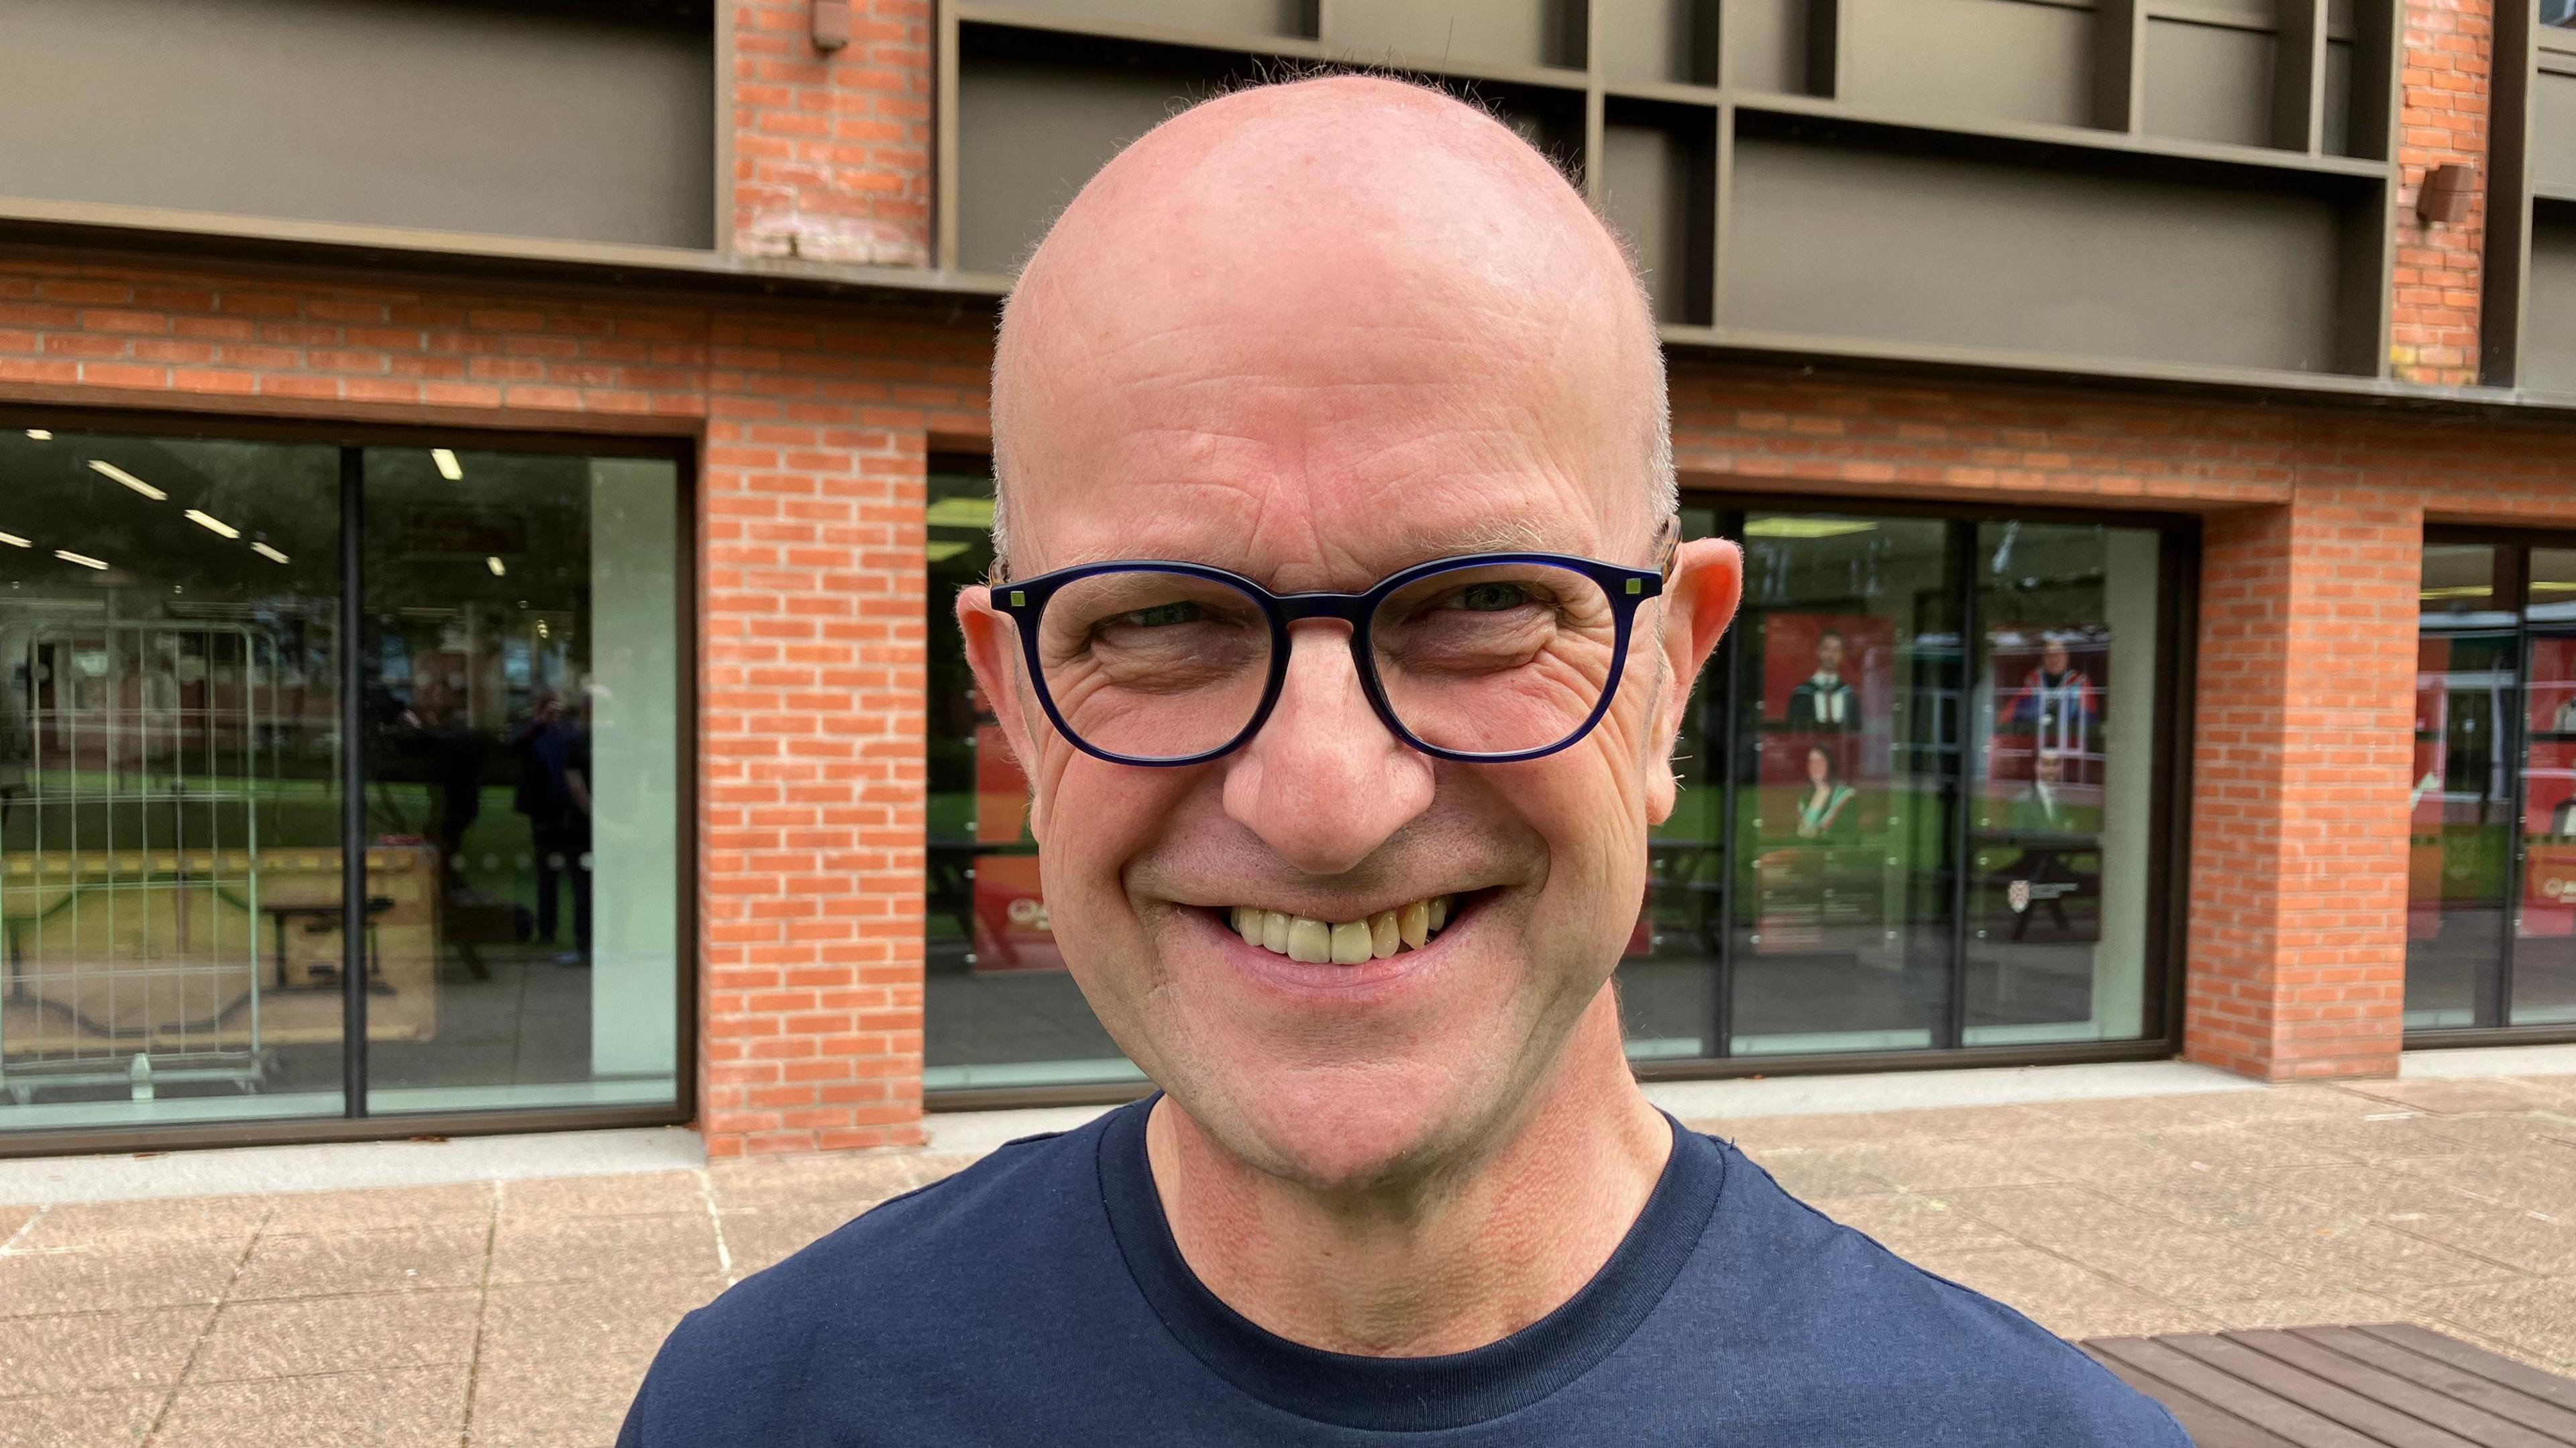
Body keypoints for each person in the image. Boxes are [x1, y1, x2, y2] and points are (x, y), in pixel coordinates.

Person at [619, 76, 2184, 1445]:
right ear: (1017, 706)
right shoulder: (764, 1409)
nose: (1320, 800)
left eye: (1482, 603)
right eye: (1160, 618)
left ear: (1666, 676)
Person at [507, 689, 590, 966]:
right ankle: (546, 929)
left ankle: (583, 935)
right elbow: (514, 748)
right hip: (544, 812)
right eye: (544, 705)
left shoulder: (570, 733)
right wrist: (539, 723)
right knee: (546, 870)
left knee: (576, 874)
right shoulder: (531, 732)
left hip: (567, 811)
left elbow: (576, 757)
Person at [2009, 632, 2094, 758]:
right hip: (2036, 750)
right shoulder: (2032, 681)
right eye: (2049, 654)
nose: (2054, 658)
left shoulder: (2080, 683)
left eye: (2059, 653)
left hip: (2070, 751)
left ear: (2067, 656)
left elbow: (2089, 725)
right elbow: (2019, 720)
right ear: (2043, 657)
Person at [1784, 626, 1856, 728]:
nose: (1831, 655)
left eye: (1836, 650)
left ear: (1842, 655)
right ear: (1817, 651)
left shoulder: (1850, 695)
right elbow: (1794, 734)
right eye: (1826, 649)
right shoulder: (1801, 694)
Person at [1792, 743, 1858, 842]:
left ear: (1829, 764)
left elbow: (1847, 836)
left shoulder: (1846, 796)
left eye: (1821, 761)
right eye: (1812, 762)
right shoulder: (1804, 800)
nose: (1816, 766)